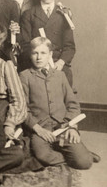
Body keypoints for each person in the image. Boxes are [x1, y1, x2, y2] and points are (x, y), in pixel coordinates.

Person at [19, 37, 94, 169]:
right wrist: (38, 129)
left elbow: (73, 104)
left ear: (50, 55)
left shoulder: (60, 76)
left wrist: (71, 126)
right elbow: (23, 108)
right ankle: (71, 156)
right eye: (35, 53)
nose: (38, 57)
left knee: (84, 162)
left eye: (43, 53)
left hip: (63, 127)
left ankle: (83, 155)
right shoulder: (25, 76)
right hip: (41, 130)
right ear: (30, 55)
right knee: (43, 156)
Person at [20, 0, 75, 85]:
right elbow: (25, 45)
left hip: (56, 63)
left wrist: (60, 62)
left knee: (65, 78)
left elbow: (69, 47)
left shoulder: (64, 14)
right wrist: (39, 62)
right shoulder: (29, 14)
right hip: (36, 62)